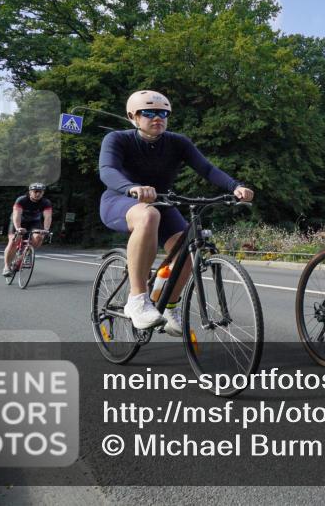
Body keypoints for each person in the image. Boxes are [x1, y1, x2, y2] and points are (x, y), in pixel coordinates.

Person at [98, 90, 254, 334]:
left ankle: (170, 305)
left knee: (190, 251)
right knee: (149, 215)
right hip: (119, 201)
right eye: (148, 113)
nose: (157, 118)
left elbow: (208, 169)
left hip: (162, 203)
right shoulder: (118, 139)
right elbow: (107, 170)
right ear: (132, 117)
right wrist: (132, 188)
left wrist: (236, 186)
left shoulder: (177, 142)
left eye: (163, 113)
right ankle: (137, 299)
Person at [3, 184, 52, 277]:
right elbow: (16, 215)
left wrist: (46, 229)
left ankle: (27, 252)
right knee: (14, 240)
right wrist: (18, 228)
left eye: (40, 192)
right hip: (19, 221)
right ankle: (6, 266)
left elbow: (48, 217)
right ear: (30, 192)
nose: (37, 194)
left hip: (34, 222)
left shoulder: (46, 202)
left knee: (39, 236)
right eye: (35, 191)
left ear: (43, 193)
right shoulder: (22, 200)